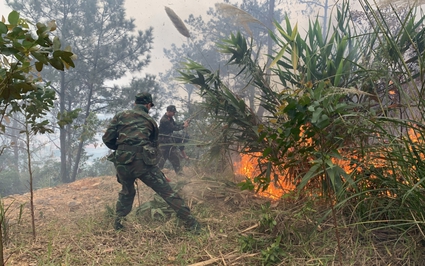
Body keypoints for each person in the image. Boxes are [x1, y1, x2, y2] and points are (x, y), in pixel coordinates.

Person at [102, 92, 200, 233]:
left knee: (127, 192)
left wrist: (123, 150)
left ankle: (118, 224)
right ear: (148, 105)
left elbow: (107, 139)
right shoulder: (150, 121)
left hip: (122, 162)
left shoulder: (120, 116)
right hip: (142, 163)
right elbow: (154, 145)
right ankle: (191, 223)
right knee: (166, 192)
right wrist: (155, 169)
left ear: (135, 103)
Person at [158, 105, 189, 175]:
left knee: (176, 159)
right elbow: (173, 128)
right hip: (163, 145)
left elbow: (176, 125)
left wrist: (183, 124)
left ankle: (180, 175)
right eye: (173, 112)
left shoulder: (170, 118)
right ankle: (156, 177)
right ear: (168, 111)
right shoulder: (164, 120)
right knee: (160, 162)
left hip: (170, 144)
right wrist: (183, 126)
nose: (174, 114)